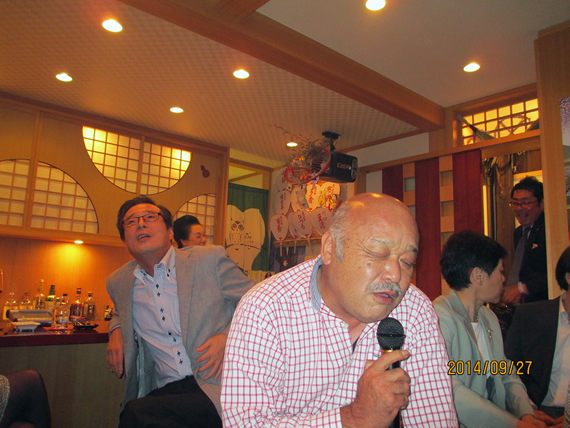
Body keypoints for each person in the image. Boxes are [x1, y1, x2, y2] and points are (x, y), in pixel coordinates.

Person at [221, 193, 458, 427]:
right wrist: (356, 418)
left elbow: (434, 419)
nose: (396, 275)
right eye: (378, 254)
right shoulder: (266, 308)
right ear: (329, 248)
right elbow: (246, 424)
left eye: (407, 262)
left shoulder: (415, 310)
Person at [106, 196, 253, 428]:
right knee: (135, 412)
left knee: (136, 414)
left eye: (150, 217)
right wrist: (116, 329)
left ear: (170, 231)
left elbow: (258, 303)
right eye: (131, 222)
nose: (141, 224)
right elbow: (119, 310)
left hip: (219, 383)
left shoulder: (208, 259)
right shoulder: (119, 281)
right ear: (125, 240)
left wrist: (228, 337)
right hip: (169, 387)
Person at [435, 230, 550, 428]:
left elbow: (504, 371)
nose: (503, 279)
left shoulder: (488, 316)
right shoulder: (439, 318)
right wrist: (513, 424)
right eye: (500, 271)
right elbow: (450, 389)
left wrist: (525, 413)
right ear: (478, 276)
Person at [505, 246, 570, 421]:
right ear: (568, 277)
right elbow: (509, 368)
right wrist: (527, 409)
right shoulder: (529, 316)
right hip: (536, 412)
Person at [503, 176, 547, 305]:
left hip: (544, 304)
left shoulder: (550, 230)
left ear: (541, 203)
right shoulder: (518, 233)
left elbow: (556, 273)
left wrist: (523, 288)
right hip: (524, 306)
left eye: (526, 202)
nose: (519, 208)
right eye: (515, 203)